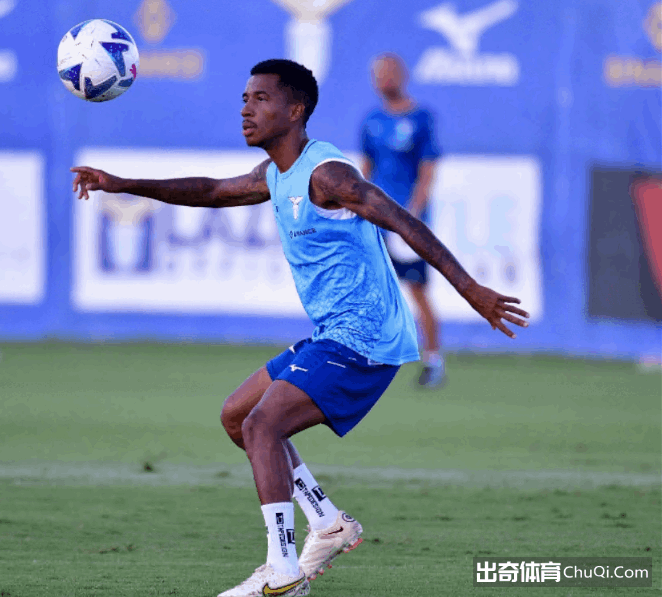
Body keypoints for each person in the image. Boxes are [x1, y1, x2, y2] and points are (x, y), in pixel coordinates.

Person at [72, 59, 529, 597]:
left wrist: (470, 288)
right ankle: (327, 523)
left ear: (296, 110)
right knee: (238, 417)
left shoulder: (327, 174)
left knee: (264, 426)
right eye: (245, 99)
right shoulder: (275, 173)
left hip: (364, 339)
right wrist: (123, 184)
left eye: (260, 99)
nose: (246, 109)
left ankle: (283, 571)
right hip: (334, 332)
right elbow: (212, 190)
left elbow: (403, 220)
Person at [361, 52, 445, 388]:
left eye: (389, 73)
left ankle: (434, 361)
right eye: (378, 74)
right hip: (376, 218)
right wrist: (358, 206)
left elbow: (428, 169)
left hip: (408, 220)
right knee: (372, 290)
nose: (384, 80)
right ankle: (370, 358)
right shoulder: (371, 120)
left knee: (417, 290)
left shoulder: (421, 118)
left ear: (403, 75)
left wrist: (413, 213)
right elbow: (366, 168)